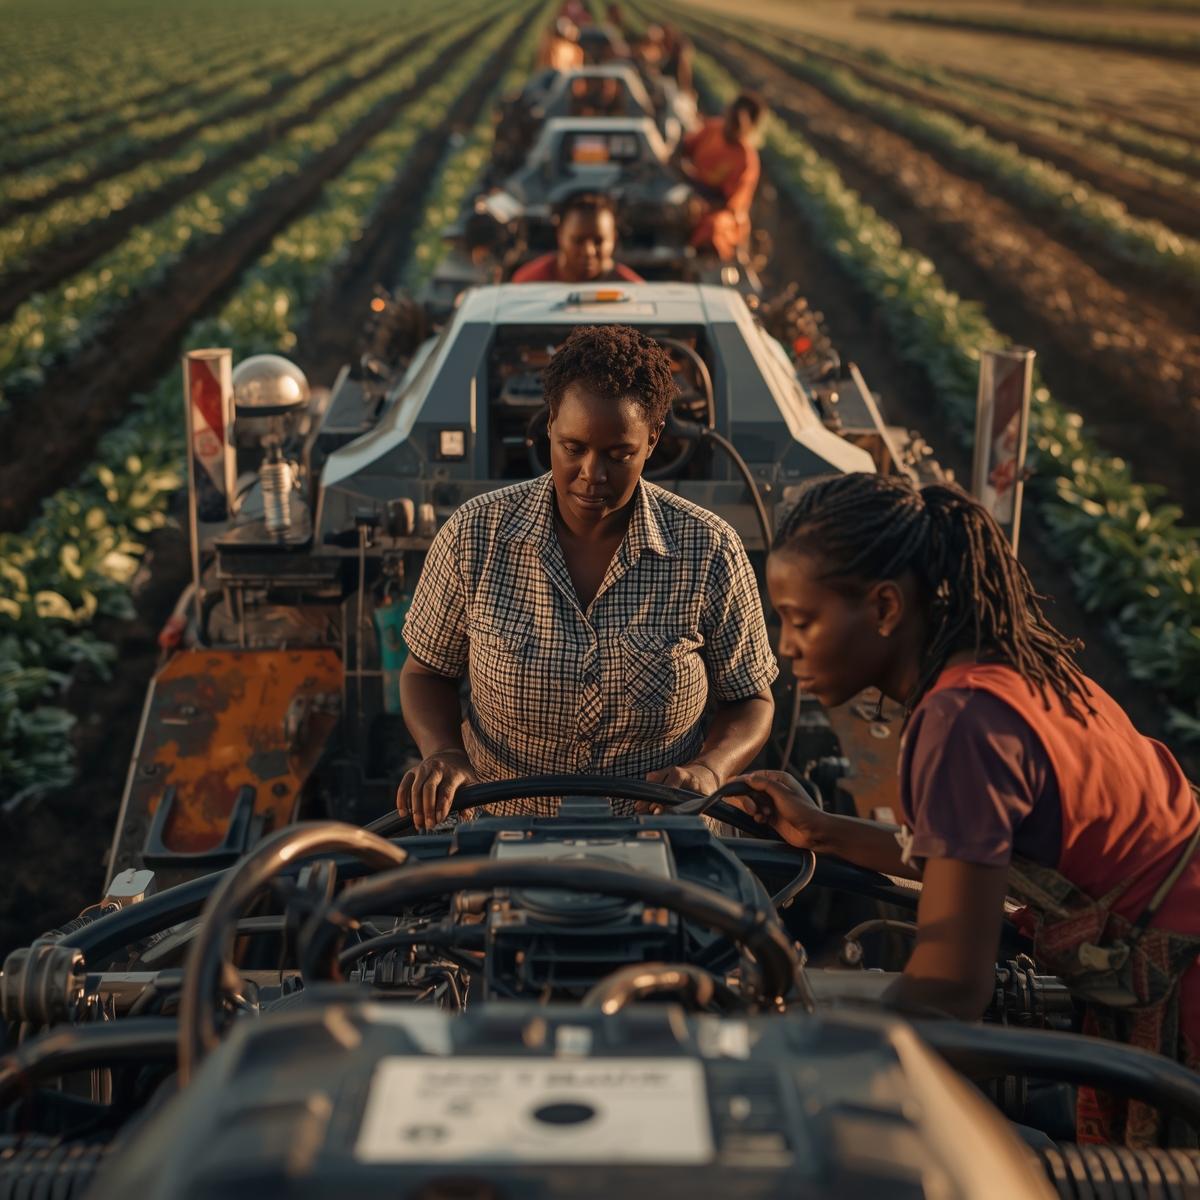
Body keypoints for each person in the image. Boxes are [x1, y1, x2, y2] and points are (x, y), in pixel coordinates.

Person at [729, 472, 1200, 1148]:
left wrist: (803, 1061)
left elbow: (950, 990)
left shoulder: (961, 721)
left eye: (802, 620)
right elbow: (972, 857)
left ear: (886, 607)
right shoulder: (1012, 672)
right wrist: (826, 833)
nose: (784, 646)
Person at [397, 325, 777, 827]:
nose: (592, 475)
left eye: (619, 455)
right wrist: (443, 752)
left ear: (653, 440)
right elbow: (426, 673)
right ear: (550, 425)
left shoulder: (709, 550)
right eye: (572, 447)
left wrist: (708, 770)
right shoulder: (475, 537)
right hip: (498, 828)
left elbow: (750, 698)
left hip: (662, 831)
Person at [680, 92, 766, 262]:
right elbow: (685, 147)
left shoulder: (746, 160)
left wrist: (700, 202)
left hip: (721, 213)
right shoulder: (712, 129)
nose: (731, 127)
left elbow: (729, 203)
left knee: (713, 229)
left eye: (738, 124)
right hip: (692, 191)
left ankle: (702, 265)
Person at [510, 193, 644, 284]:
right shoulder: (528, 284)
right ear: (560, 235)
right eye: (578, 240)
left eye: (598, 241)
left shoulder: (633, 291)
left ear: (614, 239)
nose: (588, 251)